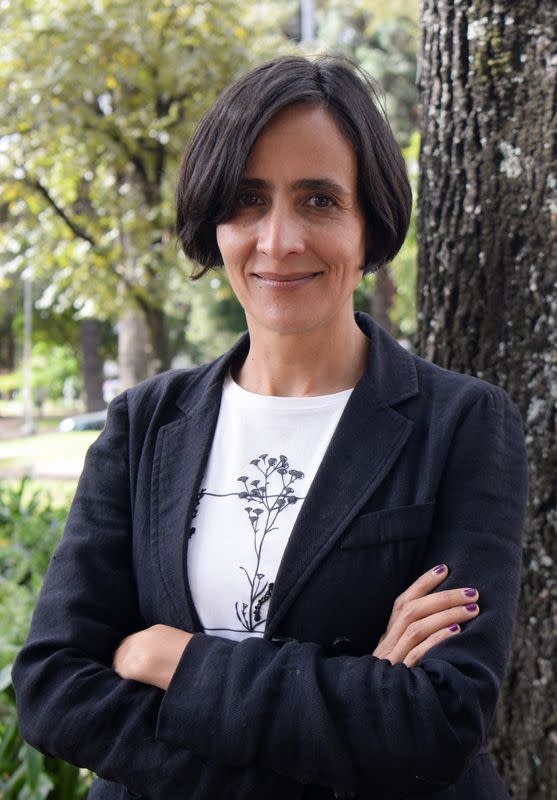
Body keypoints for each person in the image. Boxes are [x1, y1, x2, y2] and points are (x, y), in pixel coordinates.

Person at [13, 56, 528, 800]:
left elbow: (436, 722)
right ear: (214, 222)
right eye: (248, 200)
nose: (279, 240)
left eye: (319, 200)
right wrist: (348, 710)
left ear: (370, 223)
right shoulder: (143, 425)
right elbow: (55, 689)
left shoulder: (462, 426)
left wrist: (176, 661)